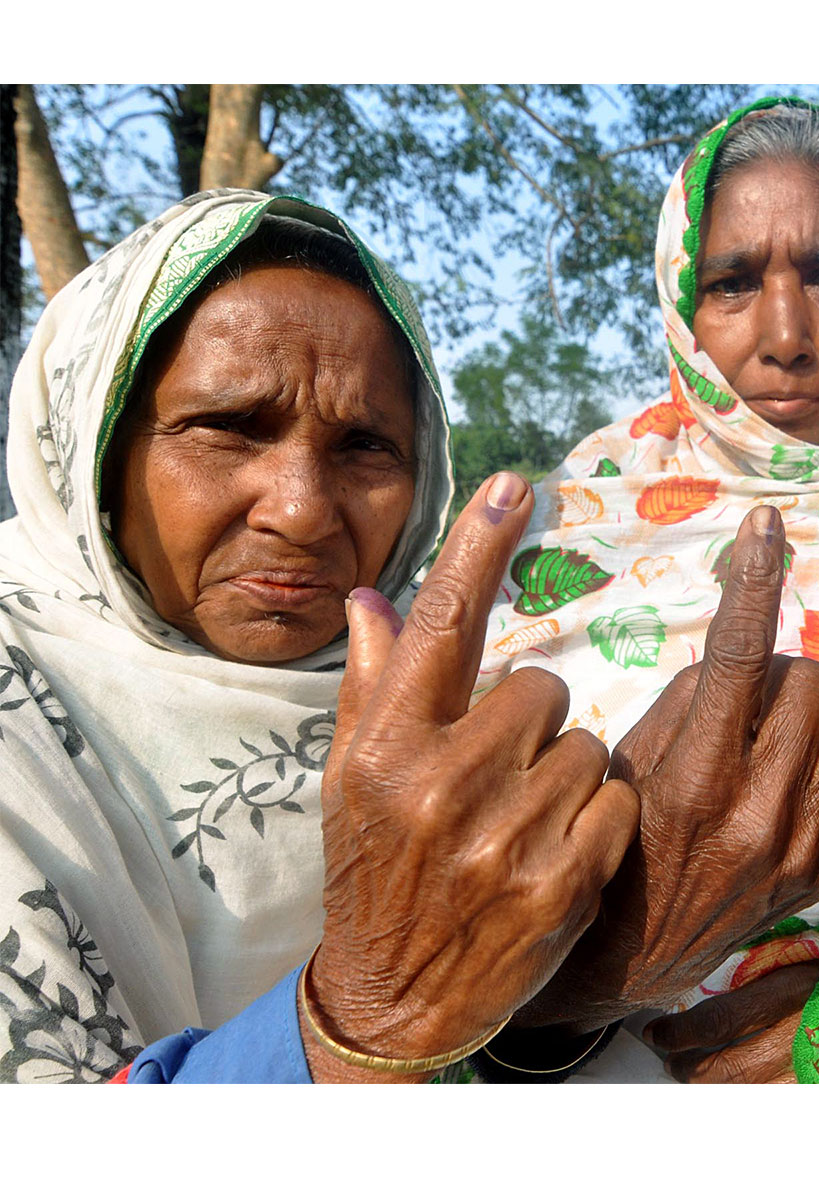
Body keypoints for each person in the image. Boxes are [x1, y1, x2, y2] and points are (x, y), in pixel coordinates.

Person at [471, 99, 819, 1083]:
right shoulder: (554, 538)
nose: (786, 335)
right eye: (733, 282)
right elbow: (456, 890)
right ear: (678, 302)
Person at [0, 191, 640, 1082]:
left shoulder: (468, 715)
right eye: (228, 427)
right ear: (94, 455)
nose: (301, 511)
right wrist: (373, 1014)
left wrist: (574, 997)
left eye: (366, 447)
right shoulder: (18, 713)